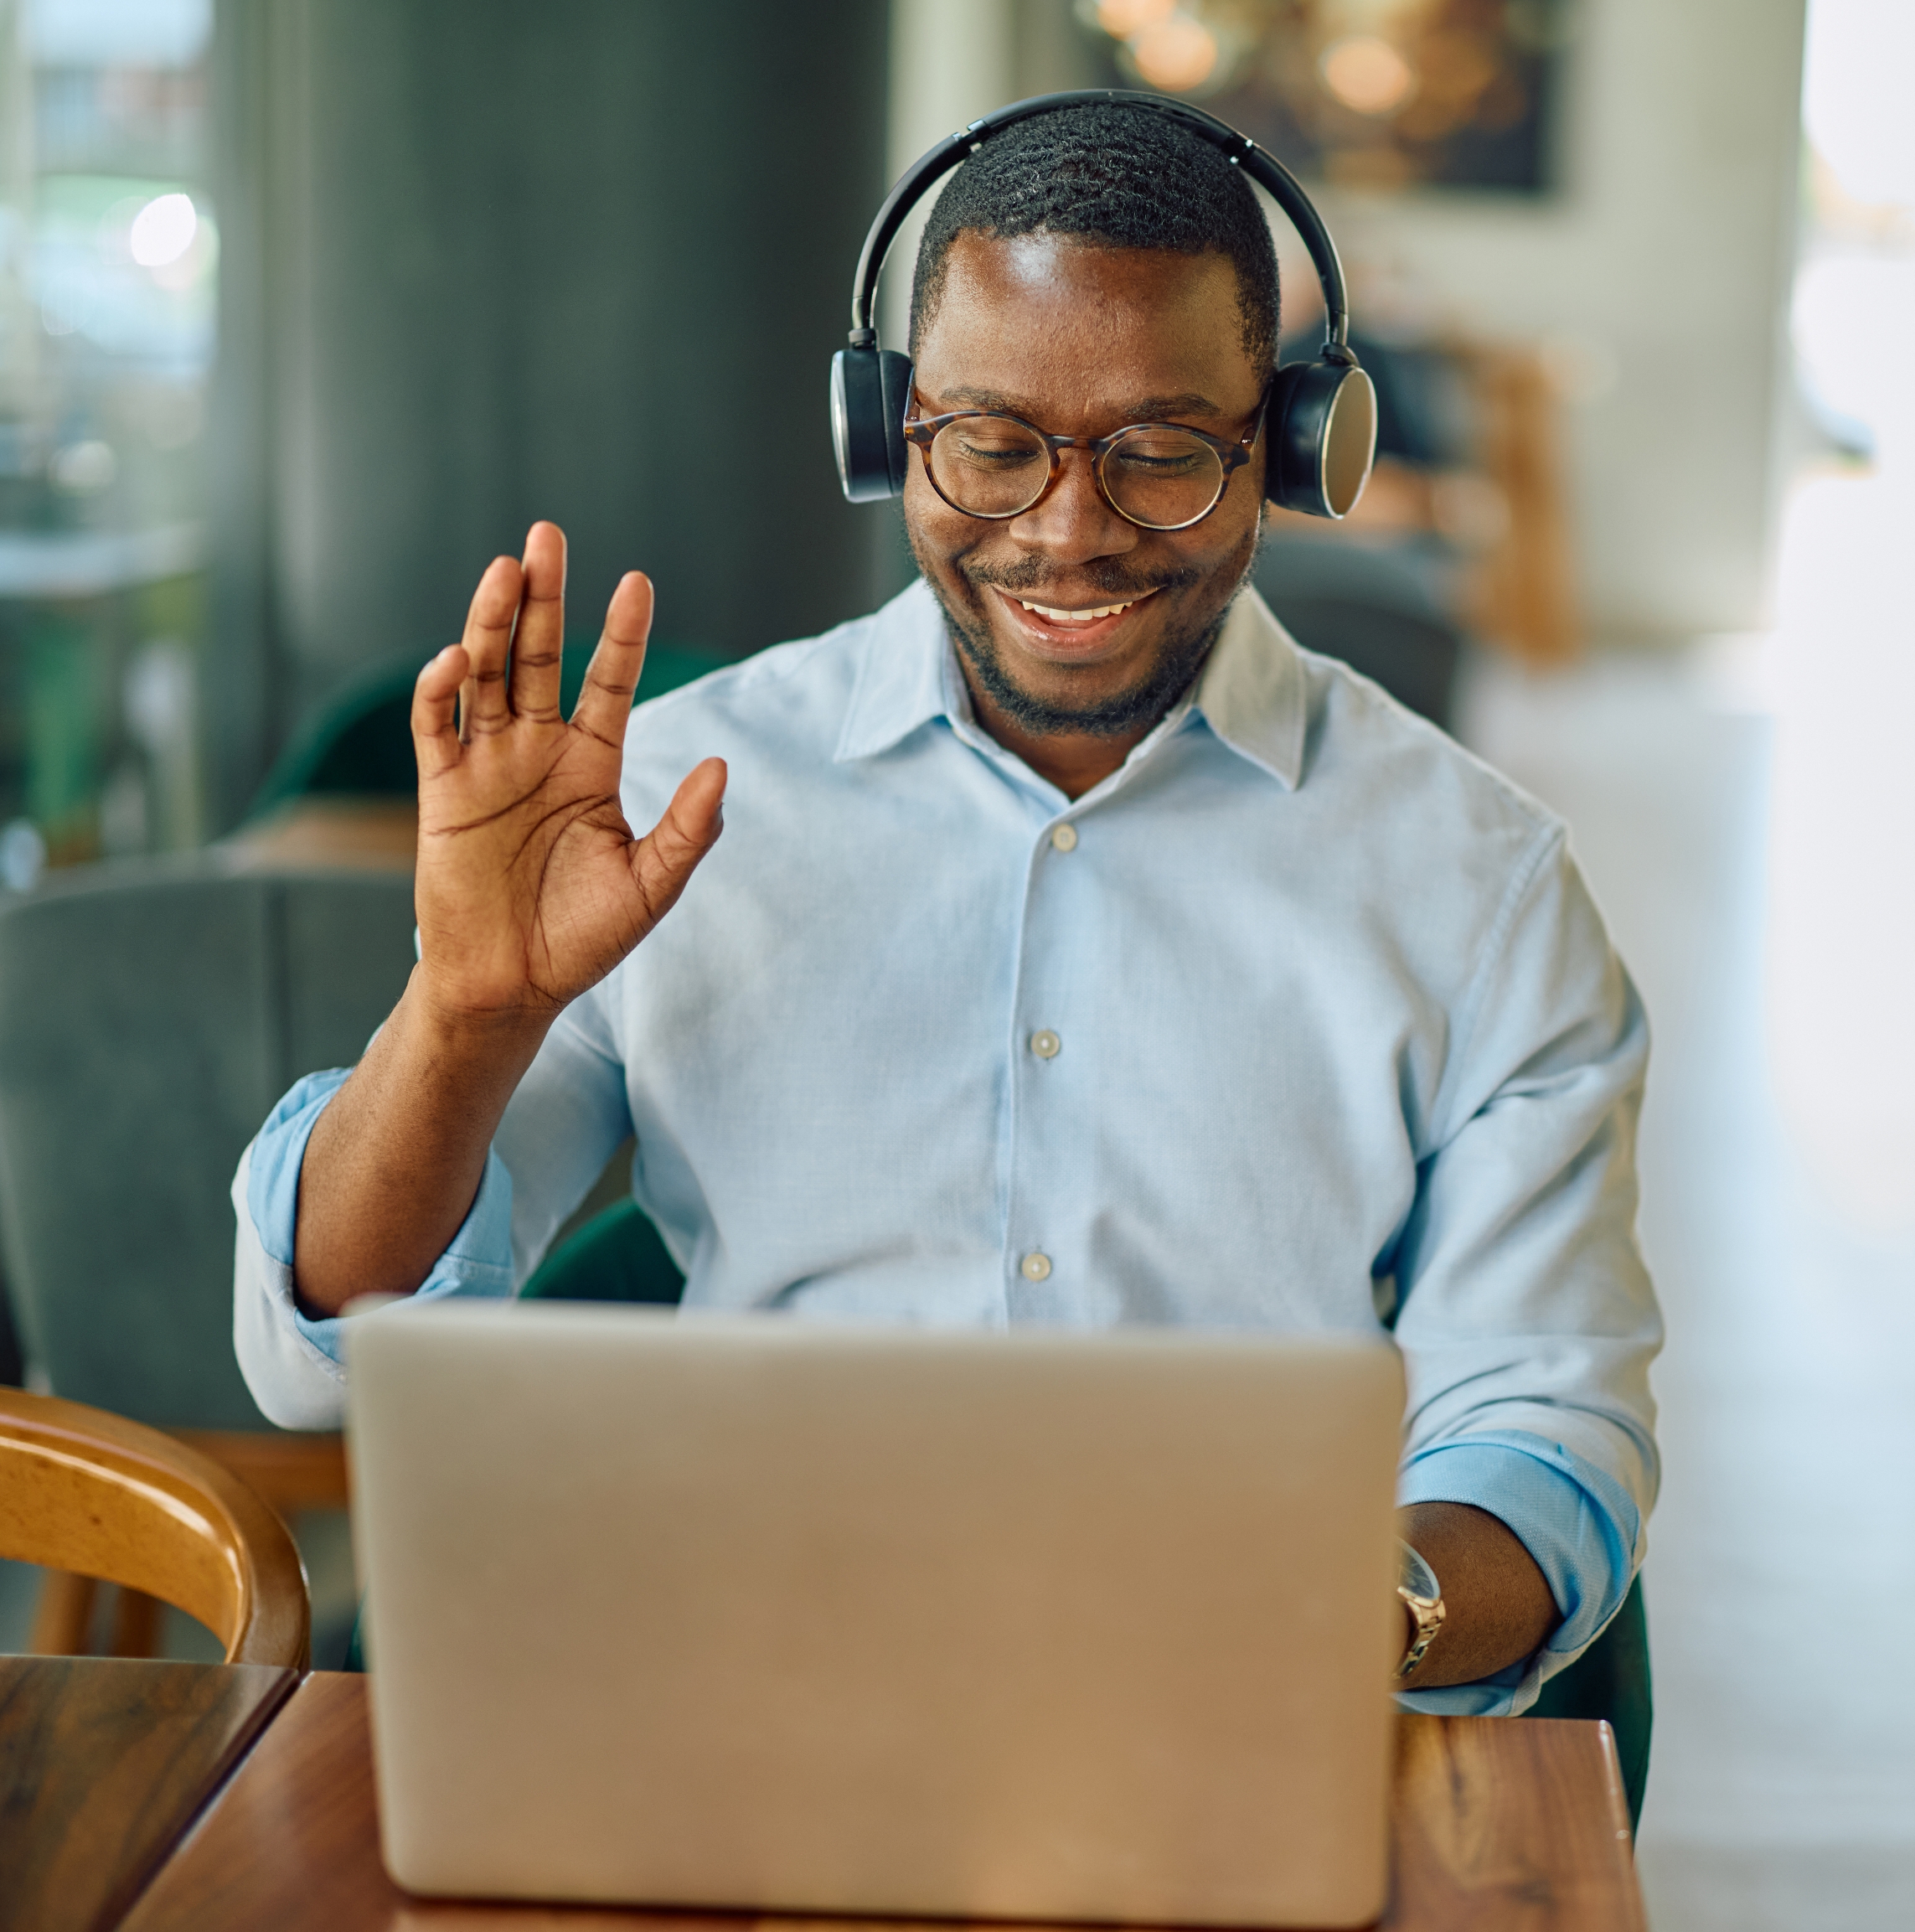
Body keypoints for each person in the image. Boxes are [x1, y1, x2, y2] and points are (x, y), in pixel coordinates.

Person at [231, 101, 1658, 1713]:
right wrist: (465, 1014)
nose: (1066, 529)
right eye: (991, 444)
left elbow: (1546, 1428)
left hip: (1232, 1708)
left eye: (1165, 453)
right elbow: (318, 1349)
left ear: (1287, 445)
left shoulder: (1482, 884)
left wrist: (1351, 1616)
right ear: (887, 433)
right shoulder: (683, 797)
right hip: (755, 1686)